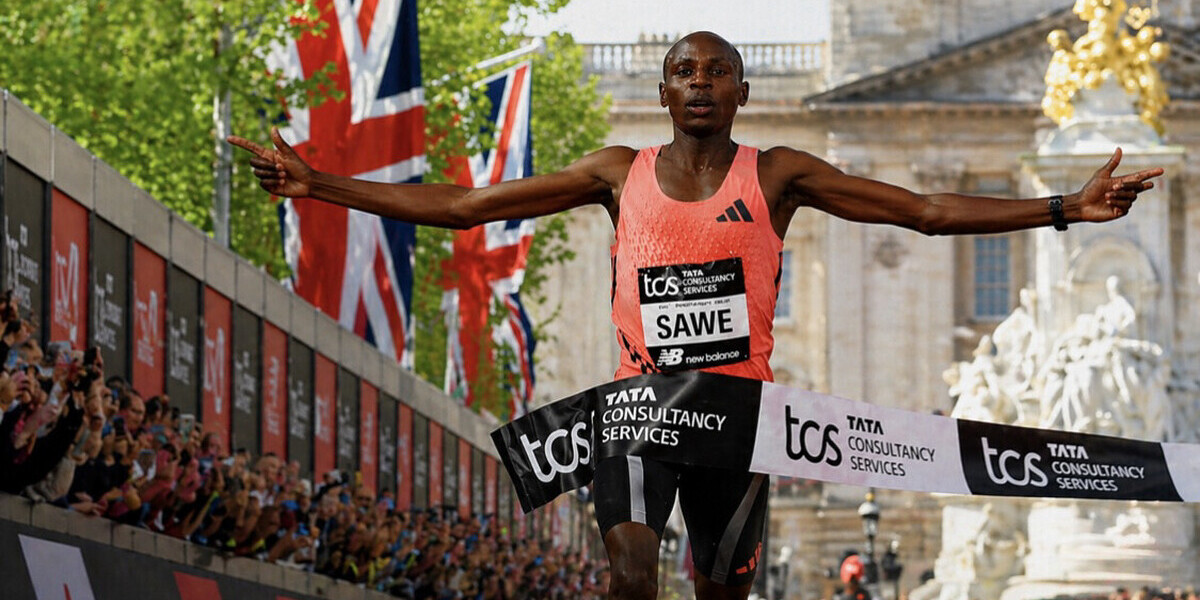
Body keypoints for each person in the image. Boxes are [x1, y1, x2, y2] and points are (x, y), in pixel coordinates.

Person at [229, 31, 1162, 600]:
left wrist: (1059, 210)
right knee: (631, 574)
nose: (701, 83)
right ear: (664, 92)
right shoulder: (613, 173)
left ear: (743, 94)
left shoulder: (780, 173)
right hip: (640, 409)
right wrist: (321, 185)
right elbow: (472, 208)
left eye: (719, 72)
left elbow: (918, 210)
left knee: (719, 588)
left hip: (740, 416)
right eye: (684, 71)